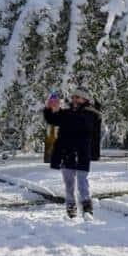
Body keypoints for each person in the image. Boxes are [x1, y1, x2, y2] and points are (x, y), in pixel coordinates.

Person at [43, 88, 102, 218]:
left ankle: (87, 208)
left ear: (85, 99)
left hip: (82, 153)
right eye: (74, 97)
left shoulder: (91, 114)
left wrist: (94, 153)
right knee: (69, 183)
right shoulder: (66, 113)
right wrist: (49, 108)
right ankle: (71, 207)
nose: (75, 100)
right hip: (66, 152)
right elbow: (52, 119)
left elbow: (94, 134)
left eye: (78, 97)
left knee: (82, 182)